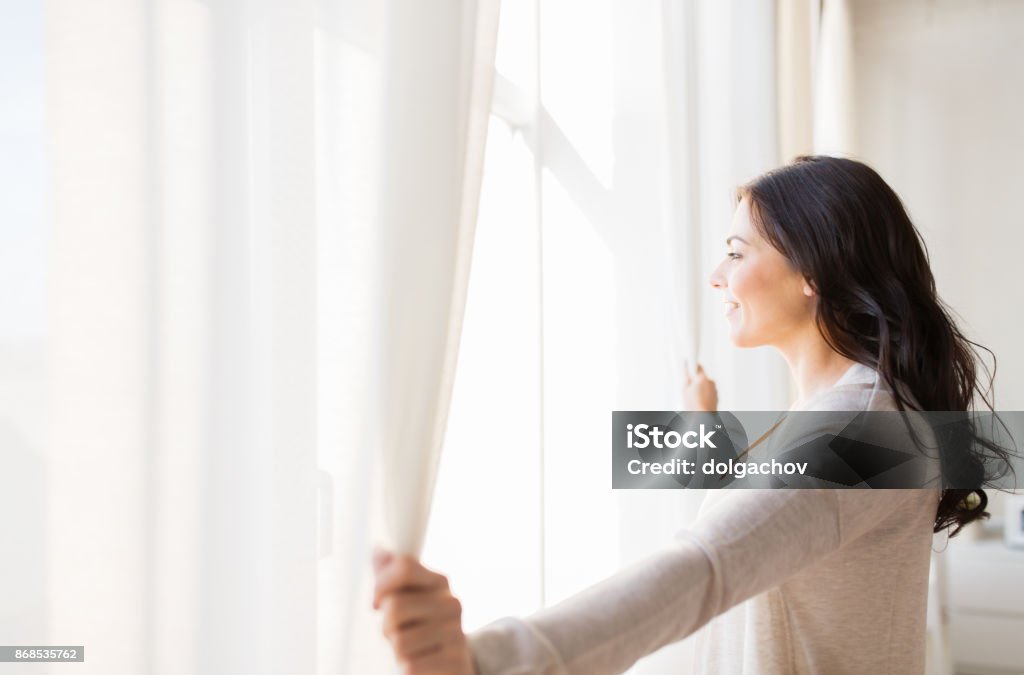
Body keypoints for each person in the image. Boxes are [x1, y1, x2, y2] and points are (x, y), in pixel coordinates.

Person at [371, 156, 1001, 674]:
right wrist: (704, 430)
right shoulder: (855, 411)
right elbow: (776, 533)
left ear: (811, 270)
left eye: (735, 251)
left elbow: (709, 566)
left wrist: (489, 662)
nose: (715, 276)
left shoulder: (860, 430)